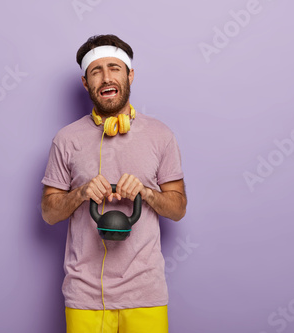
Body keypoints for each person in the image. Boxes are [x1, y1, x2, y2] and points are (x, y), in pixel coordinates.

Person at [41, 34, 187, 333]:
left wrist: (147, 193)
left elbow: (178, 208)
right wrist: (80, 193)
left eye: (114, 68)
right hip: (84, 295)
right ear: (86, 83)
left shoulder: (161, 135)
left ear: (129, 74)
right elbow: (49, 213)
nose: (106, 77)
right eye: (96, 71)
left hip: (146, 292)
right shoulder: (66, 138)